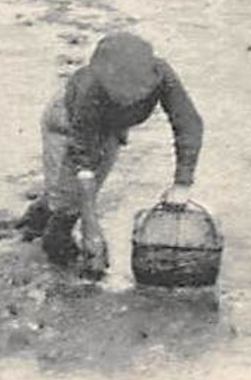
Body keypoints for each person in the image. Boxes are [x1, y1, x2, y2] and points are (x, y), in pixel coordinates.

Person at [30, 31, 204, 278]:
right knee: (69, 203)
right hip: (66, 123)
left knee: (69, 195)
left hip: (111, 125)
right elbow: (84, 159)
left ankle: (39, 215)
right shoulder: (90, 88)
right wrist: (92, 229)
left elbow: (189, 123)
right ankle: (55, 252)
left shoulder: (162, 74)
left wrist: (182, 183)